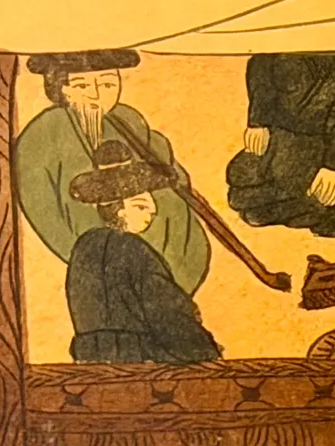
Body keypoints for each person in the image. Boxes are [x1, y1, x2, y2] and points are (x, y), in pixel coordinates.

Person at [15, 48, 210, 294]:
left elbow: (170, 185)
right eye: (82, 86)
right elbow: (46, 210)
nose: (96, 95)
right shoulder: (44, 133)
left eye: (108, 84)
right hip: (102, 260)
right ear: (60, 88)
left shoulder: (128, 120)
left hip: (155, 248)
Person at [65, 140, 221, 365]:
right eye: (140, 205)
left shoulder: (84, 246)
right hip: (139, 358)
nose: (153, 211)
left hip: (91, 358)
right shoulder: (133, 250)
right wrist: (204, 351)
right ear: (119, 210)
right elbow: (166, 312)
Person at [226, 53, 335, 237]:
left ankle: (316, 209)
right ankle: (295, 205)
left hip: (326, 150)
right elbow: (261, 68)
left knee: (327, 202)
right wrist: (259, 120)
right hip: (283, 137)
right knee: (240, 180)